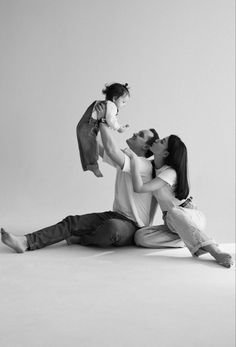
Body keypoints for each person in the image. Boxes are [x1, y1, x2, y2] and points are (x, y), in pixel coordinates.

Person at [1, 122, 159, 253]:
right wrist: (93, 125)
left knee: (112, 228)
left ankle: (82, 239)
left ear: (146, 147)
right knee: (71, 222)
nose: (135, 133)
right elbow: (99, 149)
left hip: (132, 226)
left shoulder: (143, 165)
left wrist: (106, 121)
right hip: (115, 215)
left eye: (140, 135)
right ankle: (25, 241)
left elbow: (111, 150)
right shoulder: (127, 160)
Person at [124, 135, 233, 268]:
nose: (157, 140)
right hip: (172, 222)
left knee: (174, 212)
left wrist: (134, 160)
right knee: (140, 236)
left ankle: (215, 251)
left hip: (189, 215)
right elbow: (155, 200)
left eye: (162, 141)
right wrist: (149, 223)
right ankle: (189, 238)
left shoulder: (170, 172)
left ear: (166, 153)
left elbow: (139, 188)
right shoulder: (152, 169)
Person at [77, 82, 130, 178]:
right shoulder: (111, 105)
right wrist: (119, 128)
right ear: (114, 99)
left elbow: (110, 119)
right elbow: (110, 119)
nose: (124, 105)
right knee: (89, 143)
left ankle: (91, 165)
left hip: (88, 124)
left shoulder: (106, 104)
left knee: (89, 143)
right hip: (88, 125)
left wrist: (119, 125)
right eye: (123, 102)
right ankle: (92, 165)